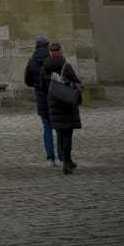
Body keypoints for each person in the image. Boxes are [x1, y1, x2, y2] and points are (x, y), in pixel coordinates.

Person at [40, 41, 83, 175]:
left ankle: (67, 160)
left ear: (50, 52)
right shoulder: (66, 66)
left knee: (61, 133)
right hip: (67, 104)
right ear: (60, 52)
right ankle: (66, 162)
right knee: (67, 135)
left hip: (54, 104)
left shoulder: (45, 67)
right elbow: (77, 83)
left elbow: (41, 86)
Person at [24, 34, 58, 164]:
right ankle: (62, 155)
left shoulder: (32, 62)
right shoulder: (53, 59)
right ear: (47, 45)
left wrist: (37, 85)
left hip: (42, 98)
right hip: (56, 97)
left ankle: (51, 157)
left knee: (47, 127)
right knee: (60, 128)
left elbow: (27, 80)